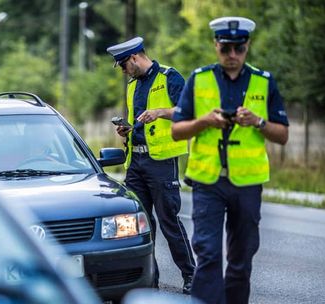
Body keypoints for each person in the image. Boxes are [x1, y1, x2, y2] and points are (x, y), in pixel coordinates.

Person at [171, 17, 289, 304]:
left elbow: (283, 135)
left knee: (241, 258)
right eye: (226, 49)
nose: (232, 55)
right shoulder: (199, 79)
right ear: (216, 46)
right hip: (207, 182)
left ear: (247, 47)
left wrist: (258, 121)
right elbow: (177, 131)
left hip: (247, 184)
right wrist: (205, 122)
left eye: (239, 48)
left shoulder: (264, 81)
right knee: (208, 254)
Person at [106, 37, 195, 294]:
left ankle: (191, 276)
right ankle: (148, 281)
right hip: (136, 163)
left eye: (123, 66)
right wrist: (126, 130)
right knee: (140, 224)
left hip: (161, 163)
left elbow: (188, 113)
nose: (123, 71)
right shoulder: (133, 86)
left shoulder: (170, 77)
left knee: (169, 222)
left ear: (134, 58)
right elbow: (137, 123)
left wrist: (160, 112)